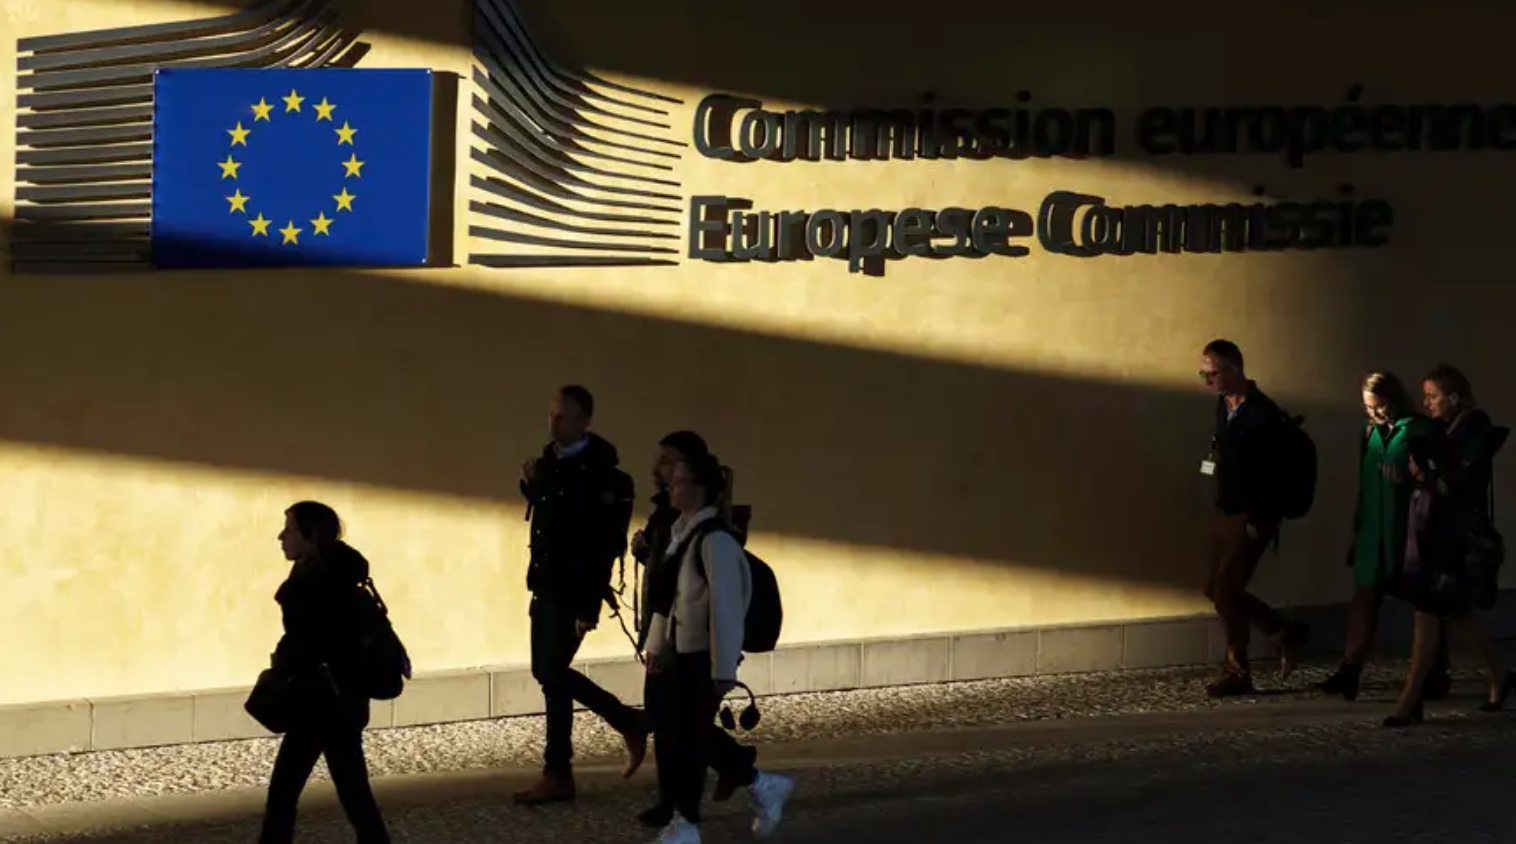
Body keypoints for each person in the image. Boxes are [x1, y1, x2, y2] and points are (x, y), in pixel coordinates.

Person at [642, 451, 794, 843]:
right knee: (679, 737)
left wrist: (723, 667)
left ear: (699, 488)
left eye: (678, 481)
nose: (671, 487)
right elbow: (666, 599)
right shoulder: (680, 534)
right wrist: (656, 646)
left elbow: (726, 609)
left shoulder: (715, 543)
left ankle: (687, 825)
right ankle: (759, 788)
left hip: (699, 657)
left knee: (689, 743)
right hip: (678, 655)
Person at [514, 385, 647, 805]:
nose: (553, 423)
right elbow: (549, 518)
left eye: (563, 416)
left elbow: (602, 544)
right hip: (545, 582)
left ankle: (623, 723)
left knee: (551, 671)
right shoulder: (548, 464)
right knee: (549, 677)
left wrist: (588, 604)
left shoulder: (602, 474)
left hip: (574, 589)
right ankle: (560, 772)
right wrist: (531, 486)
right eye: (551, 414)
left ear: (584, 421)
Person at [258, 501, 391, 844]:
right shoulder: (341, 574)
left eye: (289, 530)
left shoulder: (314, 585)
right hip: (345, 698)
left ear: (310, 535)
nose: (281, 537)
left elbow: (313, 642)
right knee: (353, 791)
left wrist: (282, 665)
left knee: (284, 792)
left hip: (317, 701)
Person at [1197, 339, 1311, 698]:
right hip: (1227, 508)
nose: (1208, 380)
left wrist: (1259, 518)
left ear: (1235, 370)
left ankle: (1238, 670)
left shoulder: (1262, 415)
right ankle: (1283, 630)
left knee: (1227, 590)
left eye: (1213, 373)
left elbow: (1273, 473)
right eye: (1203, 374)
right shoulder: (1224, 404)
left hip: (1252, 514)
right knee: (1215, 589)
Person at [1318, 372, 1440, 702]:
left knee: (1424, 602)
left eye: (1380, 406)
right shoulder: (1369, 430)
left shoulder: (1417, 429)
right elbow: (1364, 482)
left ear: (1394, 399)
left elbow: (1436, 476)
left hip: (1407, 529)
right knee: (1365, 595)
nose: (1375, 413)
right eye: (1369, 407)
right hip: (1374, 528)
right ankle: (1350, 669)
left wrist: (1412, 478)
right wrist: (1358, 529)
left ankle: (1433, 671)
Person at [1382, 431, 1513, 726]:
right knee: (1463, 622)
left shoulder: (1435, 495)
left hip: (1436, 575)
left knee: (1426, 636)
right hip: (1433, 574)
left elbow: (1436, 538)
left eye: (1410, 460)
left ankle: (1410, 700)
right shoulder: (1427, 490)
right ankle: (1501, 674)